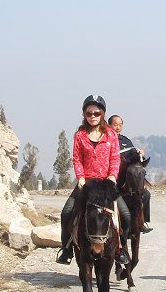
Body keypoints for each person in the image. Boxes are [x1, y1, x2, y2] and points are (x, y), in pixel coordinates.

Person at [56, 95, 132, 265]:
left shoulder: (111, 134)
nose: (92, 116)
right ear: (84, 114)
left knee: (125, 215)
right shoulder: (80, 135)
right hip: (87, 184)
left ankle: (120, 250)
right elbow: (77, 159)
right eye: (89, 113)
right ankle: (67, 249)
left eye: (96, 113)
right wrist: (81, 178)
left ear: (102, 114)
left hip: (106, 185)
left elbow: (115, 159)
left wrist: (112, 177)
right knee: (66, 213)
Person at [108, 115, 153, 233]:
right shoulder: (106, 140)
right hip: (114, 179)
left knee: (145, 195)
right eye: (115, 124)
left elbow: (134, 155)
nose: (118, 127)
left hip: (129, 179)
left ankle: (142, 222)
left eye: (120, 125)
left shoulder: (126, 140)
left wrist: (140, 153)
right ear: (109, 125)